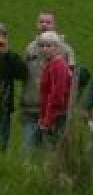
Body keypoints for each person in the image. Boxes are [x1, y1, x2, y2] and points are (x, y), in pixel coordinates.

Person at [19, 11, 76, 150]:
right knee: (29, 152)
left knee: (53, 151)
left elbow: (71, 80)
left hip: (56, 112)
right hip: (31, 108)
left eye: (48, 22)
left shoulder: (66, 50)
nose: (44, 24)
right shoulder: (30, 48)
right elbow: (22, 73)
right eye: (41, 22)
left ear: (54, 25)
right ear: (37, 24)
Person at [37, 31, 72, 147]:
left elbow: (57, 95)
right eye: (42, 46)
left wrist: (47, 120)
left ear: (57, 47)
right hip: (52, 116)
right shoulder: (51, 64)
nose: (44, 49)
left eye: (49, 46)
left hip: (57, 117)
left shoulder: (58, 65)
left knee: (54, 152)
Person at [0, 23, 28, 151]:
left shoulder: (10, 57)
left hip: (3, 108)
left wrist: (6, 53)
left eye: (2, 35)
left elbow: (22, 73)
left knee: (2, 146)